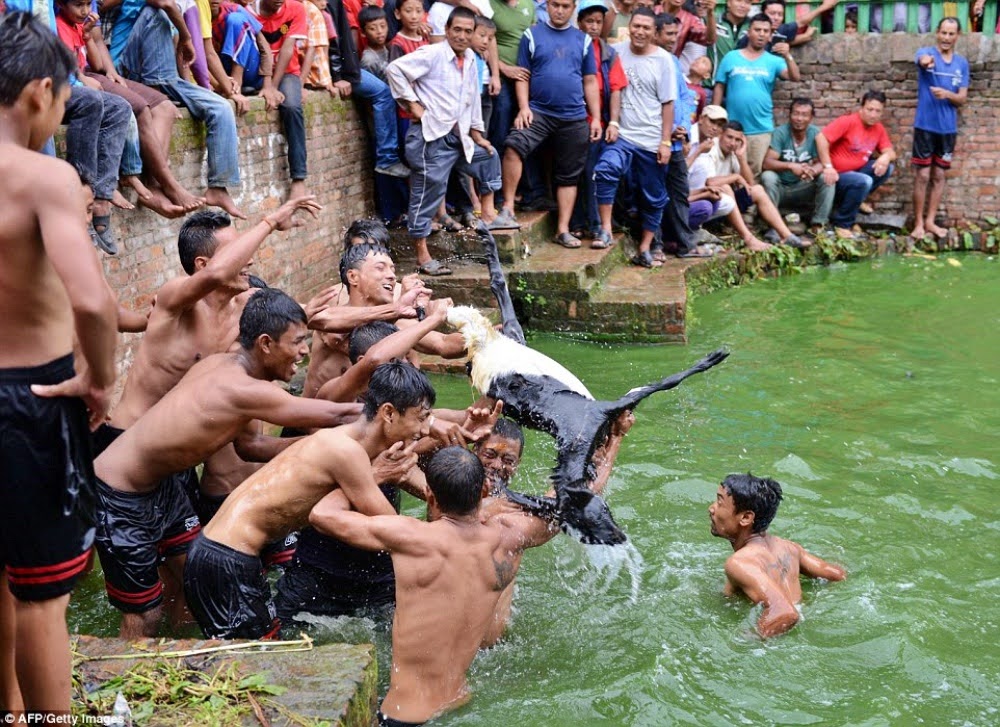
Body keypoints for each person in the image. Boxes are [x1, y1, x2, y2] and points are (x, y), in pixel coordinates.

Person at [92, 288, 362, 638]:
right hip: (119, 494)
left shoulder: (228, 364)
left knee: (195, 577)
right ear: (265, 344)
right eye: (298, 342)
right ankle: (127, 684)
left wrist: (316, 446)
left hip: (163, 487)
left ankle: (179, 652)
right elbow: (339, 413)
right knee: (145, 612)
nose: (305, 351)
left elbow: (251, 445)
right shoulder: (242, 389)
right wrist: (421, 419)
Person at [0, 12, 118, 713]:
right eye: (66, 102)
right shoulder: (46, 176)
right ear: (40, 92)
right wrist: (99, 377)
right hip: (28, 399)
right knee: (42, 597)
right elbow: (94, 302)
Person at [184, 360, 439, 639]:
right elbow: (389, 529)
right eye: (421, 417)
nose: (425, 429)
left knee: (258, 658)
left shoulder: (343, 444)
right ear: (388, 413)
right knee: (253, 661)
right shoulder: (346, 452)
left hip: (220, 553)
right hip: (227, 558)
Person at [308, 446, 550, 724]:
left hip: (406, 715)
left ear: (429, 496)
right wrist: (607, 442)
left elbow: (321, 514)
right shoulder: (509, 537)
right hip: (461, 704)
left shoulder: (409, 536)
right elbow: (562, 511)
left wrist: (373, 474)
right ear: (484, 491)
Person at [100, 199, 319, 445]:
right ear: (202, 264)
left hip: (171, 453)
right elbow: (217, 274)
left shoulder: (245, 306)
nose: (248, 260)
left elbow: (316, 314)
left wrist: (370, 311)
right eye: (236, 252)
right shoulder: (175, 301)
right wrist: (270, 222)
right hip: (127, 439)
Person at [386, 6, 507, 276]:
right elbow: (395, 70)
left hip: (459, 136)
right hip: (429, 136)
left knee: (488, 156)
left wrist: (477, 133)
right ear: (448, 30)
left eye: (468, 31)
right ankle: (422, 255)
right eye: (457, 30)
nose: (462, 36)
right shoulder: (433, 53)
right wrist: (414, 106)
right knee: (428, 190)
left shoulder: (472, 59)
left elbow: (473, 99)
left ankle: (487, 213)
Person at [111, 0, 246, 218]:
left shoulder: (186, 5)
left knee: (221, 108)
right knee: (158, 12)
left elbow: (186, 54)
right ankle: (155, 184)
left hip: (168, 77)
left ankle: (218, 188)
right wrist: (187, 37)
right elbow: (166, 7)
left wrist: (194, 86)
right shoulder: (161, 8)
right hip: (129, 68)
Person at [495, 0, 602, 249]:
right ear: (548, 5)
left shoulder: (582, 39)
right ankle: (508, 207)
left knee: (569, 175)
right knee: (514, 145)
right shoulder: (531, 35)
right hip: (539, 111)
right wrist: (524, 107)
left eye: (565, 6)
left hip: (574, 115)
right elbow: (523, 75)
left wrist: (595, 116)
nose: (560, 10)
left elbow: (589, 80)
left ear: (574, 7)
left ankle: (563, 230)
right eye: (555, 4)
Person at [708, 473, 846, 638]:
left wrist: (749, 638)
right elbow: (836, 574)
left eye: (719, 501)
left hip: (779, 640)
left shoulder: (740, 563)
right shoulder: (789, 547)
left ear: (745, 517)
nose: (712, 508)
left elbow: (786, 613)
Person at [593, 7, 676, 269]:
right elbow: (613, 89)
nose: (640, 31)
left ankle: (644, 247)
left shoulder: (663, 60)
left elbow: (668, 104)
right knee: (606, 169)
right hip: (623, 134)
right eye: (636, 26)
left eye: (646, 28)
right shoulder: (617, 52)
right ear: (629, 26)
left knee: (654, 196)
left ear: (654, 32)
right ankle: (605, 229)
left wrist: (665, 142)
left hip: (651, 138)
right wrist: (613, 122)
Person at [568, 0, 627, 247]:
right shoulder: (570, 45)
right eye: (589, 21)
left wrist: (612, 121)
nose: (593, 26)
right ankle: (576, 222)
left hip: (596, 122)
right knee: (572, 173)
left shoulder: (606, 52)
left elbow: (615, 89)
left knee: (593, 172)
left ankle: (595, 224)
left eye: (598, 22)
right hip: (571, 119)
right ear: (580, 22)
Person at [713, 12, 798, 180]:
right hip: (732, 127)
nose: (761, 34)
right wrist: (717, 118)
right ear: (749, 32)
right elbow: (719, 86)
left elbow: (795, 76)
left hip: (761, 128)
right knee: (726, 169)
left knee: (753, 172)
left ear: (770, 36)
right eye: (757, 30)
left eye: (766, 31)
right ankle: (731, 205)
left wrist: (787, 55)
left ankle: (751, 206)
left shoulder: (774, 61)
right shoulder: (731, 57)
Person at [698, 121, 807, 250]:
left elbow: (749, 184)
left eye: (737, 139)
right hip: (705, 204)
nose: (733, 143)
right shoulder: (711, 149)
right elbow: (709, 183)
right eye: (729, 137)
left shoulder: (734, 152)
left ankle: (787, 236)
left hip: (726, 206)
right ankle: (748, 238)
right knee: (726, 187)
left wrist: (742, 158)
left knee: (758, 190)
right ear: (720, 134)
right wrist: (735, 177)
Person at [910, 17, 968, 241]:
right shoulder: (926, 52)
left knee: (939, 175)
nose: (946, 38)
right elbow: (922, 60)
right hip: (925, 126)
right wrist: (926, 62)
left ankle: (930, 221)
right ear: (937, 32)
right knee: (923, 175)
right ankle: (917, 224)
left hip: (948, 129)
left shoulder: (961, 63)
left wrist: (948, 95)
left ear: (957, 36)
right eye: (943, 33)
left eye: (951, 34)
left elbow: (962, 98)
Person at [654, 11, 705, 260]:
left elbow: (684, 97)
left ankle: (686, 244)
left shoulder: (673, 61)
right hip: (654, 140)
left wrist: (683, 127)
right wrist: (667, 130)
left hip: (676, 143)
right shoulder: (650, 60)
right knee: (653, 194)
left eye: (676, 33)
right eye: (669, 34)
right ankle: (655, 245)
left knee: (679, 193)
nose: (674, 38)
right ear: (657, 33)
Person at [815, 89, 896, 240]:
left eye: (877, 111)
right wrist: (828, 167)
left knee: (887, 168)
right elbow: (821, 138)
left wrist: (885, 157)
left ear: (882, 113)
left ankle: (857, 200)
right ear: (862, 108)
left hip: (856, 174)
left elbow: (891, 152)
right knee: (864, 181)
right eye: (870, 109)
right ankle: (842, 224)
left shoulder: (878, 129)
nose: (873, 114)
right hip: (836, 176)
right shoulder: (848, 121)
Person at [250, 0, 310, 200]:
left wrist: (272, 87)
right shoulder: (248, 10)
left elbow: (287, 49)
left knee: (292, 107)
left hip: (286, 73)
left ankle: (299, 179)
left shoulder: (295, 9)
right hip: (254, 72)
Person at [761, 97, 835, 237]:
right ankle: (772, 226)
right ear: (790, 115)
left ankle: (818, 225)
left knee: (827, 177)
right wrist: (790, 166)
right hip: (781, 188)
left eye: (804, 115)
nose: (799, 118)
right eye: (796, 113)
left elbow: (821, 162)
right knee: (768, 176)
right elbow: (767, 163)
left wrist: (813, 170)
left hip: (803, 187)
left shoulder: (815, 134)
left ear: (811, 117)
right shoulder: (781, 133)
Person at [708, 0, 752, 84]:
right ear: (728, 2)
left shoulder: (753, 26)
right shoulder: (713, 21)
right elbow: (709, 39)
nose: (742, 5)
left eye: (747, 2)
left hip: (740, 87)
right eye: (738, 1)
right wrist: (710, 14)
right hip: (712, 85)